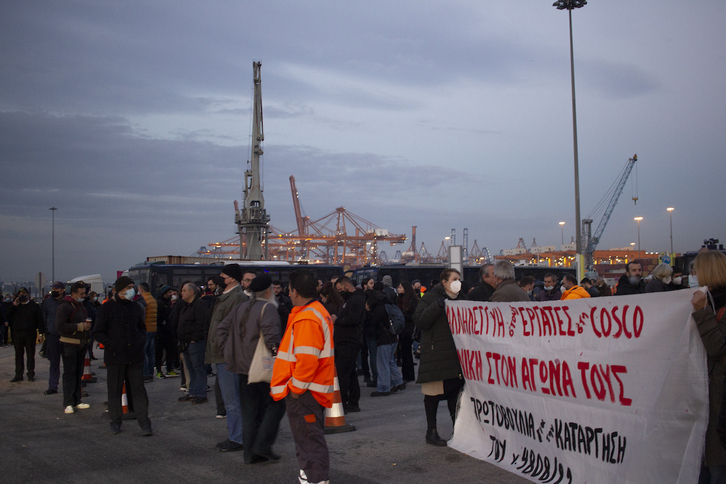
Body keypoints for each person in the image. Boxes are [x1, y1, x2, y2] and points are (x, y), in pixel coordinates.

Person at [271, 269, 335, 484]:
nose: (288, 294)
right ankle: (312, 477)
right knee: (310, 439)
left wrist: (296, 389)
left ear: (295, 292)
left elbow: (307, 361)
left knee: (308, 441)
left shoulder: (307, 317)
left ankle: (315, 479)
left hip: (306, 391)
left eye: (289, 290)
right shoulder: (316, 311)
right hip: (312, 390)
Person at [217, 275, 285, 463]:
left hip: (241, 368)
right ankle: (263, 445)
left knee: (250, 411)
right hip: (262, 369)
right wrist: (279, 359)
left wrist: (228, 351)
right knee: (276, 405)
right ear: (268, 291)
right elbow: (272, 340)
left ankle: (250, 454)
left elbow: (221, 329)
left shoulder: (240, 307)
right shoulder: (268, 308)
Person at [413, 268, 467, 447]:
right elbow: (420, 320)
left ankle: (458, 430)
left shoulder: (462, 299)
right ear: (444, 282)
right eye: (454, 279)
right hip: (436, 355)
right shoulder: (430, 297)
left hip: (455, 355)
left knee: (454, 395)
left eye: (459, 279)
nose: (457, 282)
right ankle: (432, 431)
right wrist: (437, 306)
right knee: (433, 395)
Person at [93, 276, 152, 436]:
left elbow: (141, 328)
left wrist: (140, 341)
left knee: (138, 389)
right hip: (115, 357)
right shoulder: (107, 308)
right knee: (115, 390)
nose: (131, 290)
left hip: (134, 356)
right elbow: (98, 331)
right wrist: (112, 344)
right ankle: (115, 421)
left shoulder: (135, 307)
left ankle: (144, 423)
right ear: (119, 290)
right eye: (128, 287)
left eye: (132, 287)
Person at [690, 251, 726, 482]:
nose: (692, 275)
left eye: (695, 271)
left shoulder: (711, 306)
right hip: (708, 397)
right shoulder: (708, 302)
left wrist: (702, 313)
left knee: (717, 470)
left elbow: (718, 346)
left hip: (721, 400)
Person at [205, 263, 248, 452]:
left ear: (231, 278)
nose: (220, 278)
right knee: (229, 399)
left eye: (223, 275)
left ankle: (238, 438)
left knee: (232, 400)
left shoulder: (237, 297)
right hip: (222, 354)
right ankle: (234, 434)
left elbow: (236, 328)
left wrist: (225, 349)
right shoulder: (225, 297)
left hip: (228, 356)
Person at [56, 282, 92, 414]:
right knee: (70, 373)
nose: (84, 295)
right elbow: (60, 326)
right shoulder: (65, 306)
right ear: (74, 293)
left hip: (81, 344)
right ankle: (68, 402)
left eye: (84, 293)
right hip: (69, 344)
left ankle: (77, 400)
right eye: (81, 293)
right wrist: (80, 327)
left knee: (78, 372)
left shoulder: (81, 306)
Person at [333, 276, 365, 412]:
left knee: (343, 373)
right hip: (345, 340)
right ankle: (352, 401)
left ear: (346, 286)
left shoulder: (356, 299)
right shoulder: (350, 300)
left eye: (340, 289)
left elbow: (353, 319)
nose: (340, 292)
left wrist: (337, 320)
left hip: (349, 341)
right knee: (350, 373)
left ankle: (343, 402)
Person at [366, 291, 405, 397]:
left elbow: (373, 324)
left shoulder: (378, 309)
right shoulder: (389, 306)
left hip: (383, 339)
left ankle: (383, 387)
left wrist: (368, 312)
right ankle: (398, 381)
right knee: (390, 360)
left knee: (382, 363)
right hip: (393, 336)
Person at [177, 282, 209, 404]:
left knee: (198, 367)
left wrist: (194, 338)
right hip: (185, 343)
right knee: (190, 368)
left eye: (184, 290)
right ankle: (193, 392)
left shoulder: (200, 305)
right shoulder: (186, 306)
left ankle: (201, 393)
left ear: (192, 292)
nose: (181, 293)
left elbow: (200, 323)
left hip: (195, 343)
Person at [7, 287, 44, 382]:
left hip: (30, 333)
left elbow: (40, 320)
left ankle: (30, 374)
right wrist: (13, 305)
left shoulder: (34, 306)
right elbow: (7, 315)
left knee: (30, 355)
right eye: (20, 294)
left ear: (28, 295)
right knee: (18, 355)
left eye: (24, 293)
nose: (22, 295)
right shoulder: (16, 306)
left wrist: (41, 333)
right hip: (17, 333)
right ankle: (18, 374)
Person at [42, 282, 66, 395]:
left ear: (62, 290)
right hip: (52, 335)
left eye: (56, 288)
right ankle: (52, 386)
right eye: (53, 288)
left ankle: (69, 386)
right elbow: (43, 317)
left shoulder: (67, 301)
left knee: (68, 363)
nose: (54, 290)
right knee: (54, 362)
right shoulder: (47, 302)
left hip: (66, 336)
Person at [397, 281, 418, 383]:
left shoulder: (412, 301)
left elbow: (413, 316)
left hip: (408, 329)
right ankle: (409, 374)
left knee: (406, 353)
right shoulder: (402, 300)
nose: (398, 289)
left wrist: (401, 316)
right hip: (403, 329)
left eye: (400, 287)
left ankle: (407, 375)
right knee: (406, 353)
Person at [155, 286, 177, 378]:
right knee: (159, 352)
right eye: (169, 292)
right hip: (161, 332)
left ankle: (169, 369)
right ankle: (159, 371)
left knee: (170, 351)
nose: (171, 294)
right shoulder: (160, 303)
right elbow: (158, 318)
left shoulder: (168, 303)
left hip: (168, 331)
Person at [137, 283, 157, 382]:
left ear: (141, 289)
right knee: (151, 353)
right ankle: (150, 372)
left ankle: (145, 373)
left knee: (144, 353)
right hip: (153, 328)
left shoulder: (144, 300)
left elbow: (142, 315)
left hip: (146, 329)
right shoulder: (152, 299)